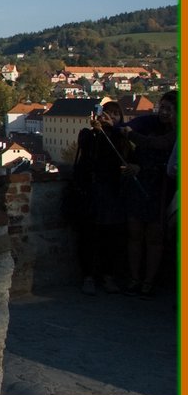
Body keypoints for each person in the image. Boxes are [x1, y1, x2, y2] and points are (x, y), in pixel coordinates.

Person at [120, 91, 177, 299]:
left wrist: (130, 134)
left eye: (168, 109)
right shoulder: (150, 122)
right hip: (141, 185)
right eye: (161, 107)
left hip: (160, 188)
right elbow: (129, 127)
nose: (163, 112)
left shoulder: (177, 133)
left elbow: (158, 145)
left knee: (154, 236)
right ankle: (136, 278)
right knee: (134, 232)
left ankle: (148, 281)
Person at [74, 101, 131, 295]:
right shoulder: (90, 134)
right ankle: (88, 276)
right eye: (108, 114)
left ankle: (108, 276)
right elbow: (87, 152)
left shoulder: (120, 135)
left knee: (111, 237)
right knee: (89, 235)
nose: (111, 118)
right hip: (91, 190)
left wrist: (112, 130)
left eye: (116, 115)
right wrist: (98, 131)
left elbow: (122, 155)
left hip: (112, 190)